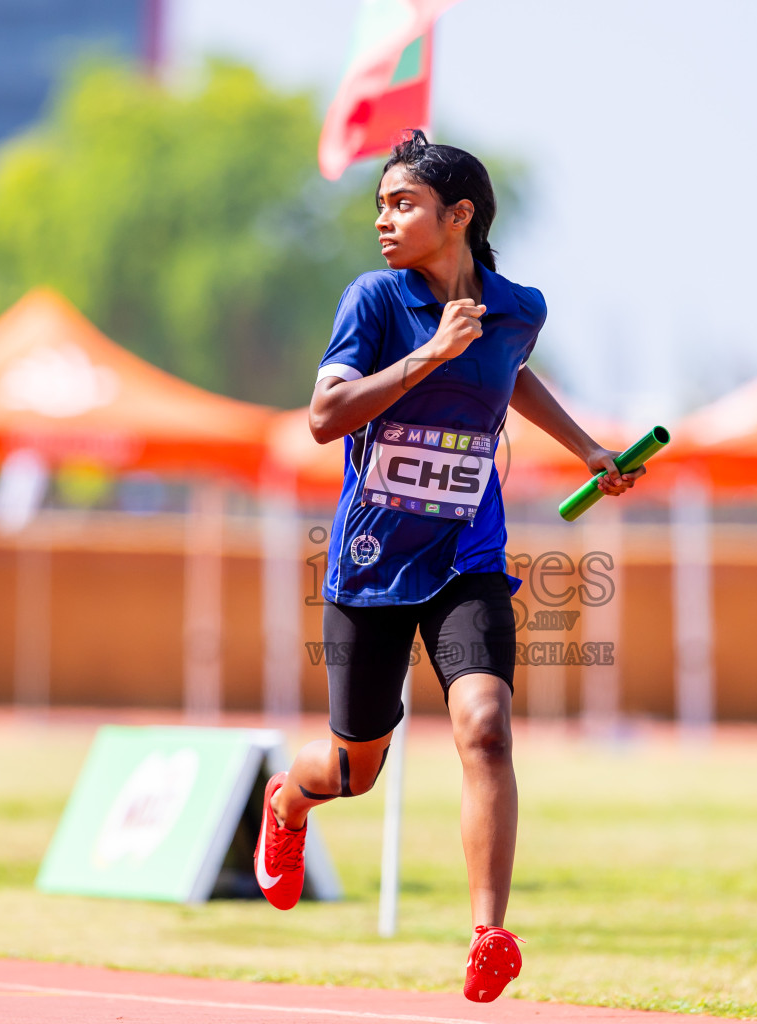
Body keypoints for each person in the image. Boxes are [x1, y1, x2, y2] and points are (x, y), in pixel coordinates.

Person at [254, 130, 643, 1003]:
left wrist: (587, 449)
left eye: (403, 204)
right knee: (356, 767)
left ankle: (489, 934)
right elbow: (324, 416)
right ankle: (286, 803)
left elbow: (512, 373)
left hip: (469, 555)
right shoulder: (377, 300)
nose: (384, 219)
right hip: (371, 563)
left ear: (458, 215)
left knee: (487, 727)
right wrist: (430, 353)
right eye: (381, 204)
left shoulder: (518, 308)